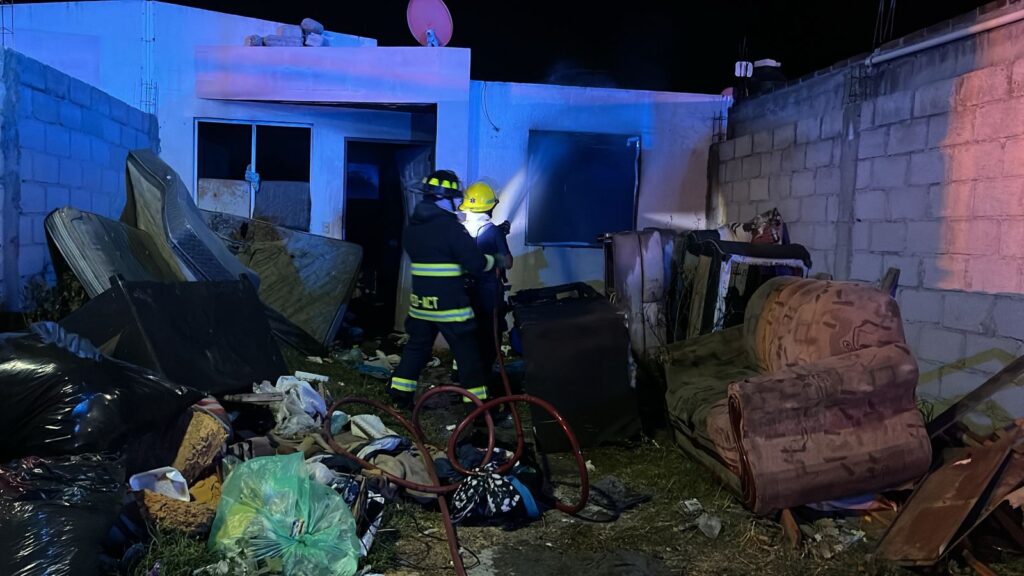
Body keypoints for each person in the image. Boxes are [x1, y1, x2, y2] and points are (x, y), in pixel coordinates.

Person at [388, 170, 507, 410]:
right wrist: (496, 261)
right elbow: (475, 264)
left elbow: (435, 260)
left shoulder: (413, 228)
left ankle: (399, 394)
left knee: (416, 348)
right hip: (449, 305)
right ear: (446, 198)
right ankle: (477, 404)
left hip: (421, 304)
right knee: (468, 354)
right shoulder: (452, 228)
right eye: (454, 197)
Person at [459, 181, 513, 395]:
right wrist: (499, 242)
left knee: (469, 335)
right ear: (490, 207)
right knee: (490, 336)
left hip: (465, 292)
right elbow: (507, 262)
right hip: (489, 293)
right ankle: (484, 382)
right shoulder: (492, 232)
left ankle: (462, 375)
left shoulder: (460, 230)